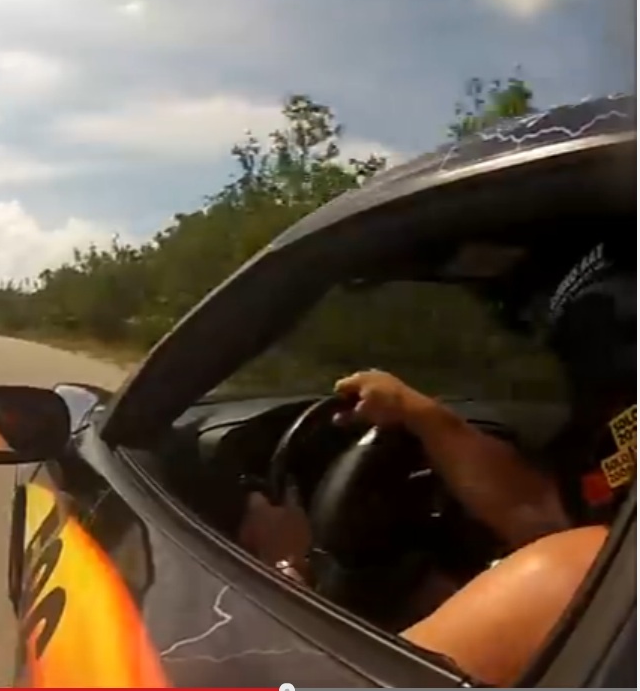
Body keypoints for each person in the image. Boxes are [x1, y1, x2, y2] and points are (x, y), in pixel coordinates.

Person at [239, 242, 636, 687]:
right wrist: (420, 415)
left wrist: (285, 578)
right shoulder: (599, 552)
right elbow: (546, 516)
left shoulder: (575, 581)